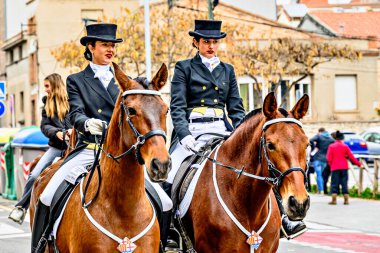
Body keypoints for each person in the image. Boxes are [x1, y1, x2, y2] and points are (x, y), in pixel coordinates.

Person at [30, 23, 172, 253]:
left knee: (165, 202)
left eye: (113, 45)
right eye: (105, 45)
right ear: (90, 47)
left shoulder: (129, 84)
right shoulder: (76, 80)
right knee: (46, 194)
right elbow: (74, 113)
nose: (110, 50)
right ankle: (38, 247)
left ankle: (161, 246)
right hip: (88, 149)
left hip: (121, 154)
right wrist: (87, 123)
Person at [165, 19, 306, 243]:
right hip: (193, 131)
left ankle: (283, 220)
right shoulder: (185, 68)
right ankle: (170, 231)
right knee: (169, 175)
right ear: (196, 42)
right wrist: (185, 136)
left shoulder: (227, 70)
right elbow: (178, 107)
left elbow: (236, 109)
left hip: (222, 130)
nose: (210, 46)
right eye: (205, 41)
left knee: (260, 170)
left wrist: (244, 136)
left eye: (214, 42)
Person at [8, 73, 72, 225]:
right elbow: (44, 126)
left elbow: (77, 120)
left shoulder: (72, 102)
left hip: (74, 147)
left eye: (47, 86)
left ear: (55, 86)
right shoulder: (47, 104)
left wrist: (71, 131)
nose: (45, 90)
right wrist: (57, 133)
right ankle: (21, 208)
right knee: (35, 174)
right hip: (56, 148)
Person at [326, 131, 363, 205]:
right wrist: (359, 164)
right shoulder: (345, 146)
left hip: (335, 167)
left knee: (334, 183)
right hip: (344, 167)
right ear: (342, 138)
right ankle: (346, 200)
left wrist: (331, 165)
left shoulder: (331, 146)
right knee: (344, 183)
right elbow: (351, 157)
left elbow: (328, 158)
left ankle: (334, 200)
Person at [310, 127, 335, 194]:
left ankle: (321, 190)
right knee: (322, 174)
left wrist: (314, 148)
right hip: (325, 159)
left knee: (319, 175)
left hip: (317, 158)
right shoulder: (331, 138)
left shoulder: (319, 136)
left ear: (319, 131)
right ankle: (321, 189)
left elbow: (311, 140)